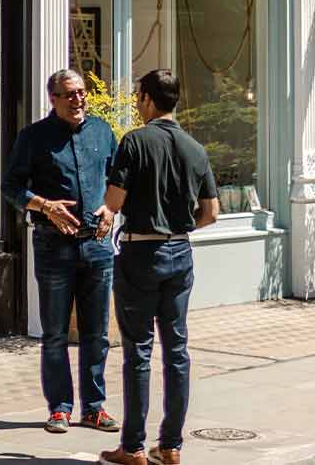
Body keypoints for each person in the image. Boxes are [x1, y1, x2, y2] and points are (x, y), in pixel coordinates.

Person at [99, 69, 218, 465]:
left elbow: (115, 201)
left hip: (140, 254)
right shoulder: (195, 148)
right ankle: (170, 446)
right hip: (180, 253)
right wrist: (179, 226)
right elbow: (212, 213)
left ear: (149, 98)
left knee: (138, 352)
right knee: (177, 349)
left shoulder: (134, 142)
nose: (136, 102)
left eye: (138, 95)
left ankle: (132, 446)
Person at [2, 69, 119, 434]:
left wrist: (112, 209)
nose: (78, 99)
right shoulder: (33, 137)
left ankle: (94, 408)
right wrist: (44, 205)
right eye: (69, 94)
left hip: (97, 245)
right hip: (54, 247)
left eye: (82, 92)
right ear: (52, 98)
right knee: (54, 333)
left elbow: (118, 180)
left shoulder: (102, 131)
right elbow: (10, 186)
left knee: (96, 333)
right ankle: (59, 408)